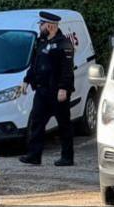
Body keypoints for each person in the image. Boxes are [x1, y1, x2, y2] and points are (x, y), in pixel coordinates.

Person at [19, 11, 76, 167]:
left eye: (41, 24)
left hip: (57, 91)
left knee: (64, 124)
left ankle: (67, 157)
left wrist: (64, 88)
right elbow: (35, 64)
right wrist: (26, 80)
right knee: (37, 122)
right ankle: (34, 155)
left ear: (50, 26)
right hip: (42, 91)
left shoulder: (64, 44)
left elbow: (67, 70)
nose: (40, 27)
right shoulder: (41, 42)